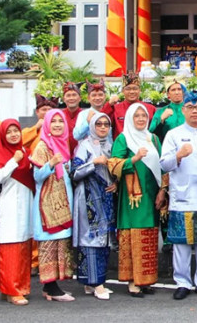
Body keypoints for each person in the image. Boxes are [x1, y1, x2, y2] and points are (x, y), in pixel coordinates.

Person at [161, 91, 197, 300]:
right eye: (190, 107)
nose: (194, 111)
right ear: (183, 110)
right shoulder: (173, 134)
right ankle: (182, 281)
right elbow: (164, 164)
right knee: (181, 244)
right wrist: (178, 155)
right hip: (181, 196)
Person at [109, 103, 164, 297]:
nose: (141, 119)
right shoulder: (123, 139)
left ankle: (146, 280)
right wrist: (134, 159)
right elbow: (113, 164)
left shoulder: (154, 139)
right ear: (130, 118)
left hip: (151, 195)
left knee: (149, 233)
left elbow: (162, 166)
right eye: (136, 116)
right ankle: (133, 280)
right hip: (132, 197)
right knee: (134, 234)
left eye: (143, 115)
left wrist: (162, 191)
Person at [71, 112, 116, 301]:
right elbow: (74, 172)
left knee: (103, 241)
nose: (103, 128)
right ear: (92, 127)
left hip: (105, 197)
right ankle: (97, 284)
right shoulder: (85, 146)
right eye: (99, 125)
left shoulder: (111, 145)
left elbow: (113, 169)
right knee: (91, 241)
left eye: (106, 124)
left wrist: (116, 183)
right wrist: (93, 162)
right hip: (88, 199)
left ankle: (92, 283)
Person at [31, 109, 75, 302]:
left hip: (63, 203)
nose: (57, 125)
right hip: (48, 205)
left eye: (61, 121)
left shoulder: (62, 145)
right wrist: (50, 163)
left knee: (60, 244)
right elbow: (37, 177)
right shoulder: (42, 146)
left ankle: (52, 287)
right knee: (49, 244)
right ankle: (50, 286)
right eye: (54, 121)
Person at [0, 119, 34, 306]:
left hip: (26, 203)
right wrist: (13, 161)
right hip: (9, 205)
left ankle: (20, 287)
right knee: (10, 245)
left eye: (16, 131)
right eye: (8, 132)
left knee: (24, 244)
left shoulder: (25, 151)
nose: (13, 135)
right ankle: (11, 289)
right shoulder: (1, 153)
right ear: (3, 135)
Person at [60, 82, 84, 153]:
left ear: (80, 98)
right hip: (62, 154)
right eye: (68, 95)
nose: (71, 98)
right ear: (64, 99)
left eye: (74, 95)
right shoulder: (59, 116)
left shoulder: (85, 115)